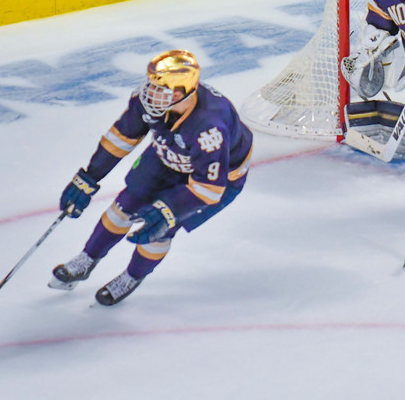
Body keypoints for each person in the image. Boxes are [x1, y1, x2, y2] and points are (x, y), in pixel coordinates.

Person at [49, 50, 253, 305]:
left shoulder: (209, 126)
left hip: (216, 179)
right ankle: (88, 258)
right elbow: (121, 139)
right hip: (167, 155)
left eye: (161, 89)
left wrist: (169, 211)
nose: (150, 94)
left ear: (182, 92)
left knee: (159, 229)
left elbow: (209, 189)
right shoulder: (151, 101)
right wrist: (88, 177)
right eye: (152, 85)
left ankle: (131, 277)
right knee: (122, 208)